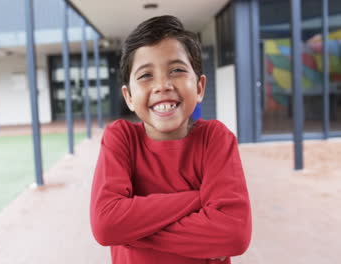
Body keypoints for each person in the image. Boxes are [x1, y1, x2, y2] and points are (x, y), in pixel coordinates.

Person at [89, 15, 252, 264]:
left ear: (199, 88)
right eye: (145, 75)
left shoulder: (215, 138)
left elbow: (234, 235)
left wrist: (130, 230)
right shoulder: (120, 138)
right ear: (129, 96)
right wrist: (198, 199)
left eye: (176, 70)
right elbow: (106, 226)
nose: (162, 85)